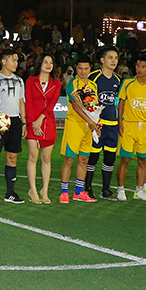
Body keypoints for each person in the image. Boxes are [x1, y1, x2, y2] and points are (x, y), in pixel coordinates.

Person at [0, 48, 27, 204]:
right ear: (3, 61)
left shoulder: (19, 80)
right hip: (1, 121)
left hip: (15, 122)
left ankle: (10, 192)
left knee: (12, 158)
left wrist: (24, 122)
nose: (16, 63)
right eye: (13, 60)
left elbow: (21, 102)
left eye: (17, 60)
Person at [59, 55, 99, 203]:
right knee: (69, 159)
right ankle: (64, 192)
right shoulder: (72, 84)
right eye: (80, 68)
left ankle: (78, 192)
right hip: (75, 124)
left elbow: (94, 107)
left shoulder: (93, 85)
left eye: (86, 68)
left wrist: (96, 125)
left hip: (88, 127)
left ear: (90, 69)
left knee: (84, 159)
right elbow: (75, 106)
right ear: (76, 68)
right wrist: (89, 121)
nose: (83, 71)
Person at [117, 54, 146, 201]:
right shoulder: (127, 83)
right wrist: (120, 122)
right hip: (128, 125)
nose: (140, 69)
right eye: (138, 66)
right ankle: (121, 189)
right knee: (125, 159)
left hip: (144, 128)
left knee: (143, 160)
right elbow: (121, 103)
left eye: (144, 66)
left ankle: (139, 190)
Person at [84, 45, 120, 200]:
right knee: (93, 156)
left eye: (116, 58)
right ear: (102, 60)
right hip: (97, 124)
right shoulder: (93, 77)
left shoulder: (118, 80)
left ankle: (106, 189)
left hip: (112, 124)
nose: (114, 61)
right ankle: (88, 188)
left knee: (110, 157)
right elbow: (86, 100)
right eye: (110, 57)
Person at [25, 54, 61, 204]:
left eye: (51, 62)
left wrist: (41, 119)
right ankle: (33, 190)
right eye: (45, 62)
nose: (48, 65)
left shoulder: (56, 84)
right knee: (33, 156)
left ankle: (44, 190)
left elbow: (52, 104)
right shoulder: (31, 81)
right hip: (32, 123)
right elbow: (29, 101)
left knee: (46, 158)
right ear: (39, 64)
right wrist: (33, 122)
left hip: (48, 124)